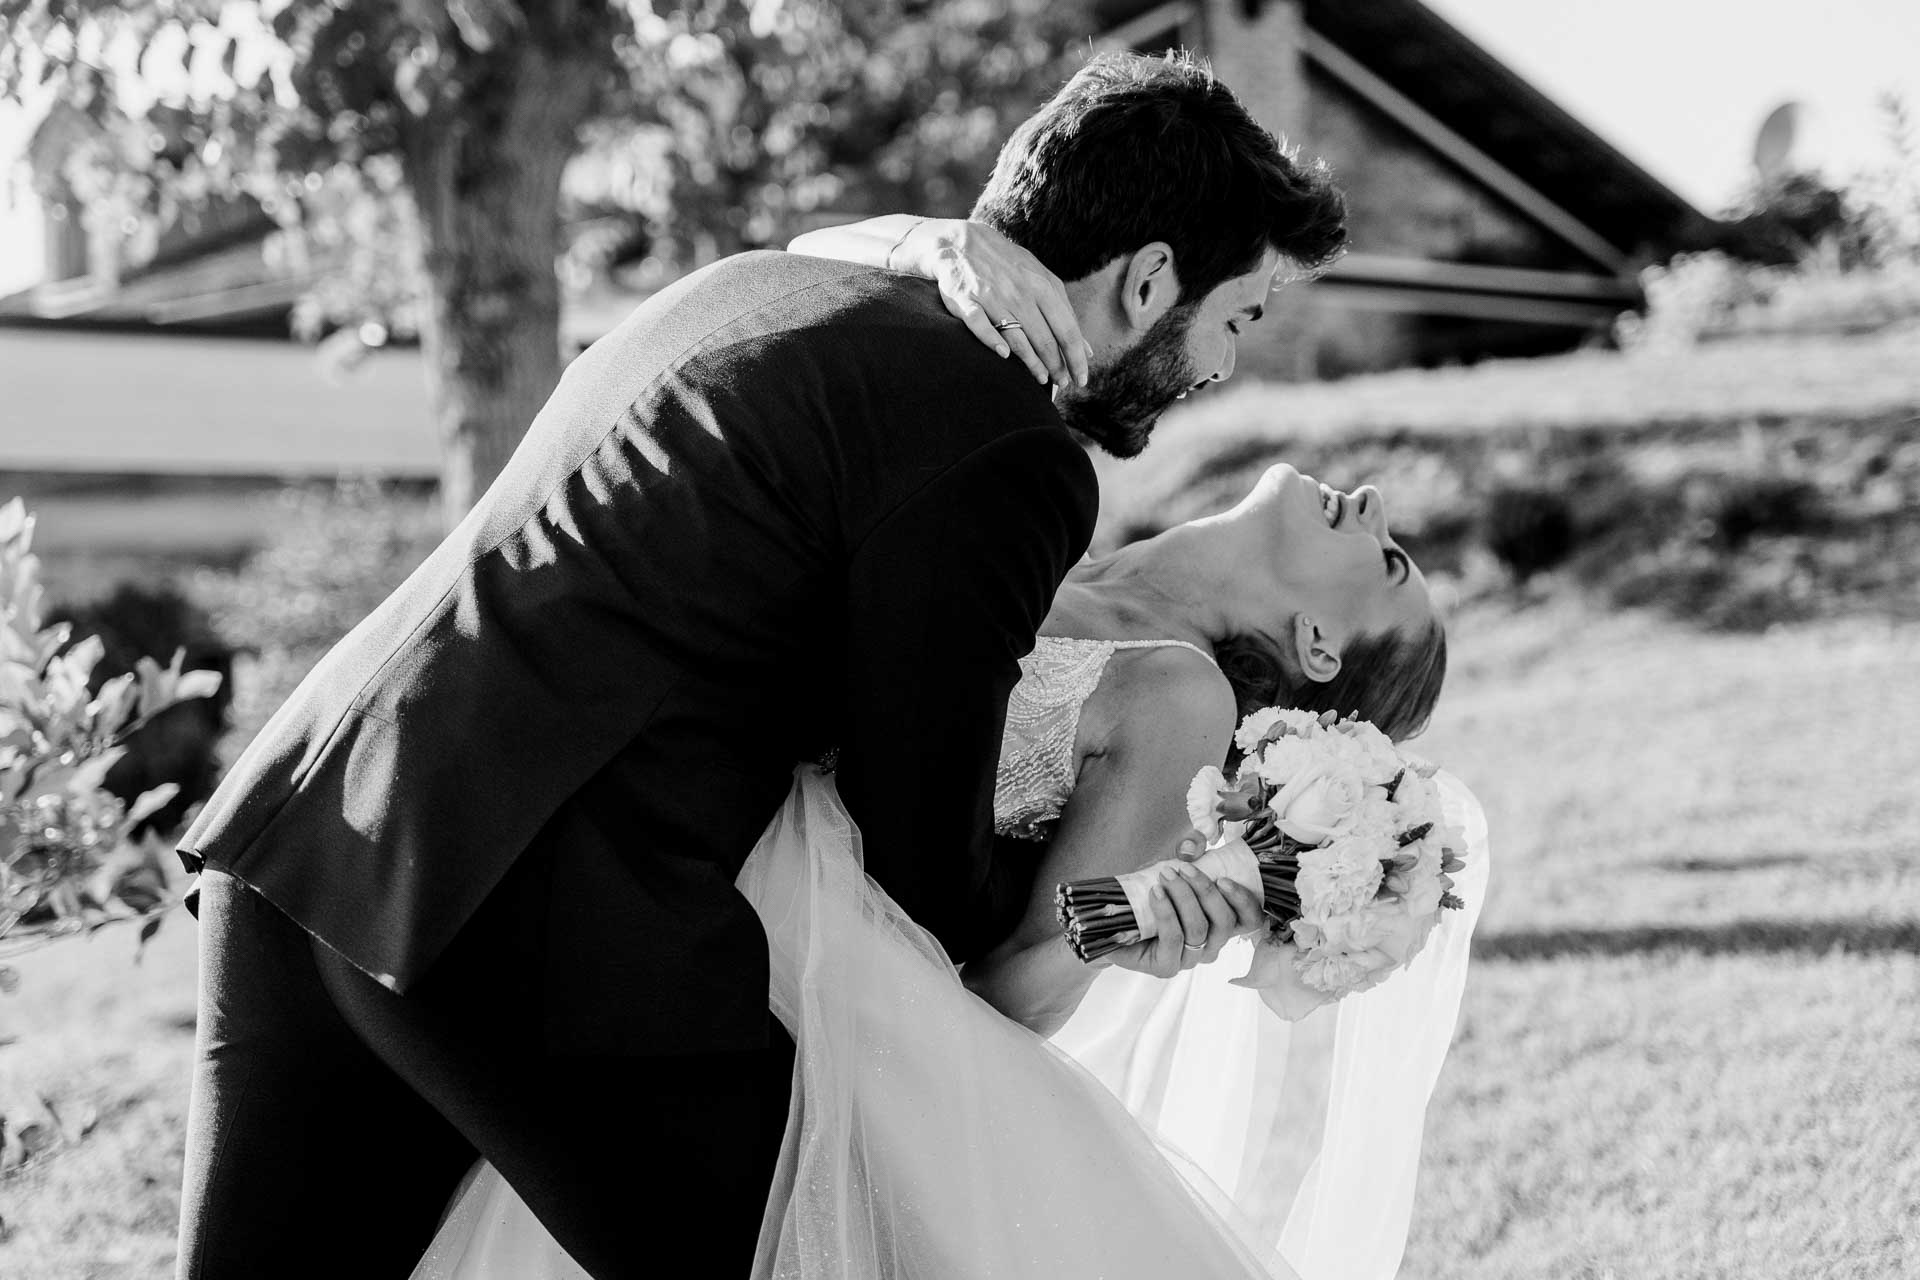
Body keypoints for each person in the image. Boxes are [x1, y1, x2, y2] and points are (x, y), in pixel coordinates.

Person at [172, 49, 1347, 1280]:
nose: (1221, 368)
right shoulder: (1004, 443)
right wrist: (1120, 901)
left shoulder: (752, 285)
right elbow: (919, 860)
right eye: (1237, 318)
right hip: (529, 903)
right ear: (1150, 278)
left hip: (308, 820)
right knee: (823, 1248)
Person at [412, 461, 1484, 1280]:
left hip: (774, 946)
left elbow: (1015, 995)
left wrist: (1121, 917)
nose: (1375, 502)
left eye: (1387, 561)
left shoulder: (1178, 698)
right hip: (668, 828)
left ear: (1318, 644)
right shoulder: (1060, 538)